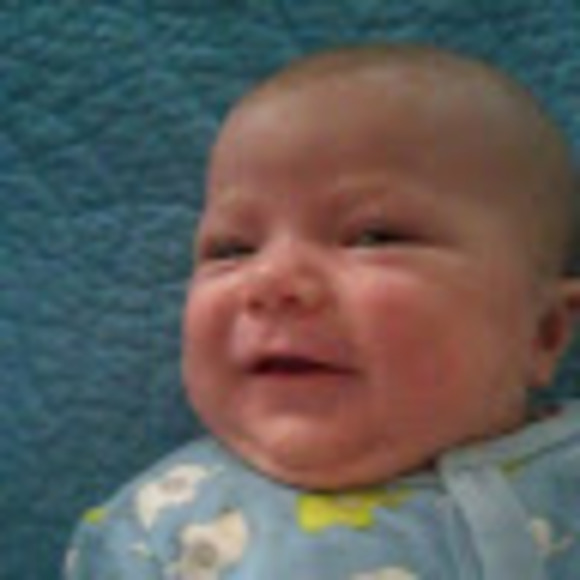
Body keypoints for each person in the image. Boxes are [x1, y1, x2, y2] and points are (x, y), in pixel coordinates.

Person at [65, 44, 580, 580]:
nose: (270, 281)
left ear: (544, 332)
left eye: (373, 237)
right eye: (232, 250)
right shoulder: (157, 528)